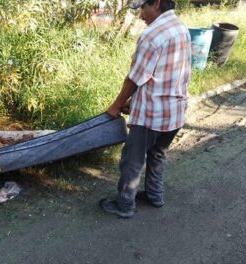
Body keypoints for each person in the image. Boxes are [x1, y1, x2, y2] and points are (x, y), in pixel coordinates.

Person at [99, 0, 191, 218]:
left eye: (143, 8)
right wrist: (136, 102)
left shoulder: (153, 35)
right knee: (158, 154)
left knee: (132, 159)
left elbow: (135, 78)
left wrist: (116, 105)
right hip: (175, 112)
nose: (140, 15)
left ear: (156, 4)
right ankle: (154, 195)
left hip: (152, 115)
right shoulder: (181, 28)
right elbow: (165, 74)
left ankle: (124, 205)